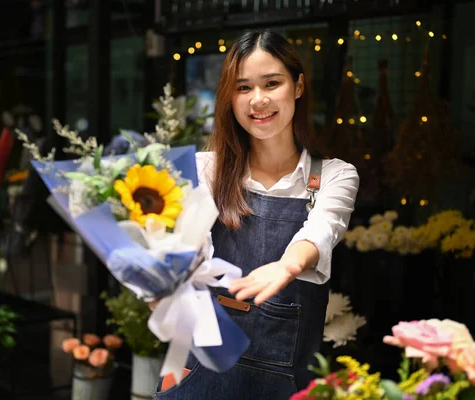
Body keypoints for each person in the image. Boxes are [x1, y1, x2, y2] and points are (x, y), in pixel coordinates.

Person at [153, 29, 359, 399]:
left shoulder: (334, 175)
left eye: (272, 83)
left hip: (285, 382)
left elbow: (323, 227)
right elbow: (179, 259)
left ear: (298, 86)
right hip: (192, 370)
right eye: (243, 88)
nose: (258, 100)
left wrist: (288, 265)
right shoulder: (204, 171)